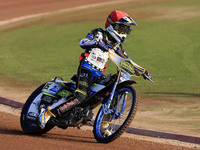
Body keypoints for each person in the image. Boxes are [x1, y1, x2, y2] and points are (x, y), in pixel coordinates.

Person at [38, 10, 152, 129]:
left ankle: (103, 123)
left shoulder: (117, 46)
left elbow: (127, 60)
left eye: (126, 30)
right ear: (111, 25)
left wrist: (143, 71)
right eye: (121, 28)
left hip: (98, 74)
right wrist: (95, 43)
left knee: (109, 87)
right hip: (87, 68)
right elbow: (83, 42)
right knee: (81, 95)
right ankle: (47, 113)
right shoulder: (99, 33)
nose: (123, 33)